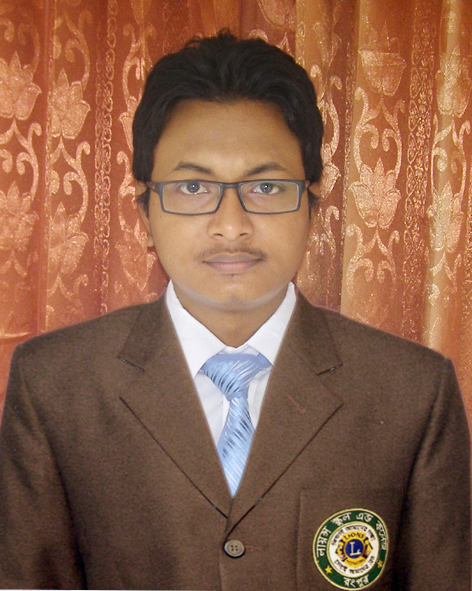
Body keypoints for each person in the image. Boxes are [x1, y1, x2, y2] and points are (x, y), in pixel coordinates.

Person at [0, 31, 469, 591]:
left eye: (266, 186)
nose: (231, 226)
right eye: (193, 186)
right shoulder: (55, 385)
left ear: (312, 207)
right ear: (146, 214)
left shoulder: (412, 392)